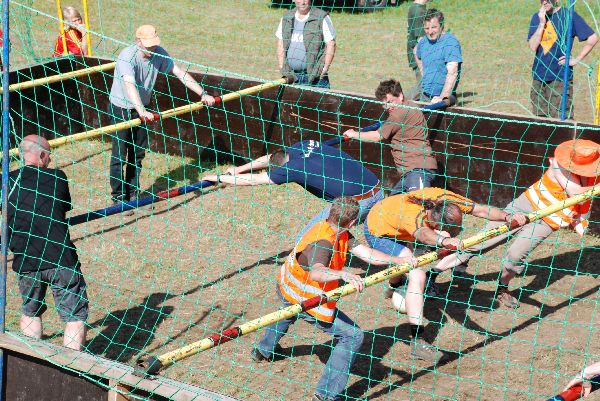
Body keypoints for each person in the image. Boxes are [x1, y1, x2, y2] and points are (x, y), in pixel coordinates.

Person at [251, 197, 416, 401]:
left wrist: (399, 260)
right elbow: (317, 273)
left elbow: (366, 254)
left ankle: (262, 351)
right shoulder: (324, 242)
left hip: (287, 286)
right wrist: (344, 275)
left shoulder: (337, 231)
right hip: (306, 298)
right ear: (353, 221)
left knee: (287, 311)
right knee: (352, 336)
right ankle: (326, 395)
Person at [363, 187, 527, 361]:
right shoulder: (414, 219)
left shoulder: (447, 199)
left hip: (394, 219)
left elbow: (479, 209)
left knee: (403, 263)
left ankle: (394, 285)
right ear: (434, 224)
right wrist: (445, 241)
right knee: (416, 274)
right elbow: (424, 234)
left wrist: (508, 217)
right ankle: (418, 343)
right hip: (378, 229)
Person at [435, 139, 600, 308]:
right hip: (524, 207)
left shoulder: (594, 174)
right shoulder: (559, 164)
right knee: (480, 242)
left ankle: (502, 289)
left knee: (515, 256)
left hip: (547, 220)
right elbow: (577, 192)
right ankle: (432, 276)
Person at [108, 25, 216, 208]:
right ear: (138, 41)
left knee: (137, 154)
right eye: (148, 46)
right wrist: (141, 110)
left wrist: (202, 93)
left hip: (143, 108)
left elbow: (180, 72)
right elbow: (129, 85)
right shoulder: (127, 57)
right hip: (121, 108)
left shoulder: (159, 53)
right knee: (119, 155)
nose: (152, 49)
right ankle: (118, 198)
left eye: (154, 45)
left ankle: (133, 193)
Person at [6, 135, 88, 350]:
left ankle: (33, 359)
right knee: (74, 316)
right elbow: (63, 206)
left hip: (26, 260)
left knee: (30, 311)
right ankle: (72, 368)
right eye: (49, 155)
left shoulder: (7, 182)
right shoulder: (58, 177)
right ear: (42, 155)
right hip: (60, 258)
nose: (50, 160)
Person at [202, 139, 383, 237]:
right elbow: (271, 156)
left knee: (307, 239)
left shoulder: (292, 169)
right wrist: (238, 169)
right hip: (379, 189)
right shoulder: (304, 145)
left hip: (357, 202)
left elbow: (255, 180)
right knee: (376, 236)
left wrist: (220, 178)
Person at [343, 79, 438, 195]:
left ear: (401, 96)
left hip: (418, 170)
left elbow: (376, 136)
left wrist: (353, 134)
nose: (387, 107)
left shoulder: (399, 114)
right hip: (410, 172)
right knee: (392, 208)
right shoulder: (411, 106)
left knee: (421, 205)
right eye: (384, 103)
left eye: (390, 101)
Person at [527, 0, 598, 119]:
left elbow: (593, 38)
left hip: (560, 77)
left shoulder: (569, 16)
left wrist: (576, 60)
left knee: (561, 119)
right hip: (538, 77)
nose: (545, 2)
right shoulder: (537, 17)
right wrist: (541, 23)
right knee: (539, 120)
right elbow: (533, 46)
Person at [276, 0, 336, 88]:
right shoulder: (287, 17)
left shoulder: (321, 17)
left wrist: (324, 69)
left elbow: (331, 43)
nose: (303, 2)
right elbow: (280, 42)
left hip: (316, 79)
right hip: (292, 78)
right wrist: (282, 66)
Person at [414, 9, 462, 106]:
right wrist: (423, 71)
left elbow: (452, 73)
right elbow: (416, 52)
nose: (430, 32)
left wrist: (442, 97)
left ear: (441, 25)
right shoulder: (423, 42)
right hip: (425, 96)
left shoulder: (450, 43)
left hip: (445, 101)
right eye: (427, 28)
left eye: (434, 27)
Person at [406, 0, 431, 100]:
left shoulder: (415, 7)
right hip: (419, 55)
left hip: (417, 52)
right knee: (423, 87)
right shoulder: (418, 11)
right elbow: (420, 40)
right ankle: (398, 100)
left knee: (423, 86)